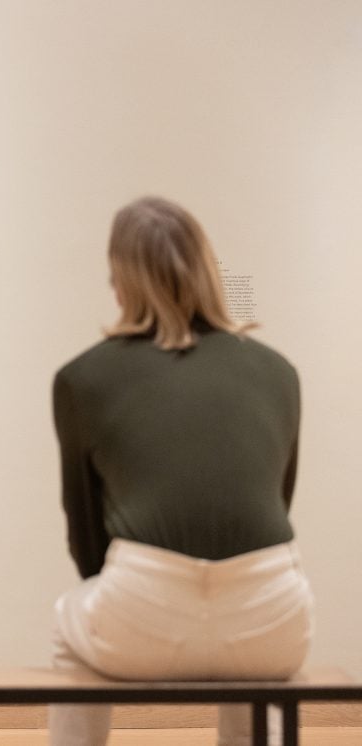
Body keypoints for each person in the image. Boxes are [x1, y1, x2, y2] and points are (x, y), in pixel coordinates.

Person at [49, 197, 314, 746]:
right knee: (256, 671)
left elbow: (86, 533)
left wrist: (138, 590)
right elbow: (272, 502)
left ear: (121, 278)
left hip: (141, 613)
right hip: (273, 617)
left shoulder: (83, 377)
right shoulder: (279, 372)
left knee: (67, 625)